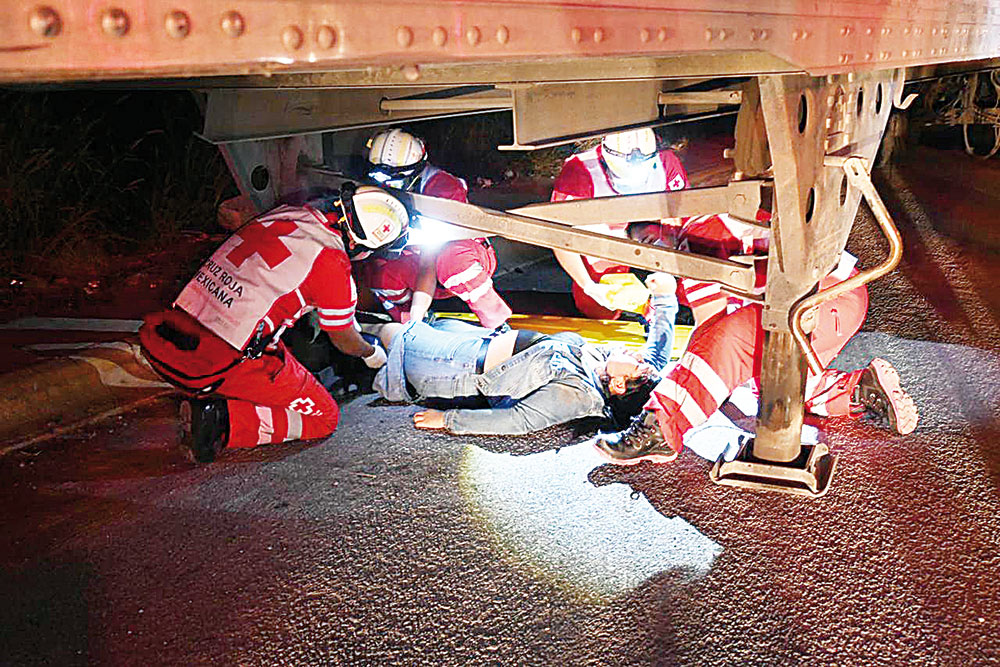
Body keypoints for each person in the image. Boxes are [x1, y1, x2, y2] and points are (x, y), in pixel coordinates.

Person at [594, 212, 920, 465]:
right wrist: (689, 376)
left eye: (652, 238)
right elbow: (710, 327)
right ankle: (861, 392)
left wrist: (681, 383)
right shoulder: (699, 231)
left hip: (821, 300)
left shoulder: (699, 232)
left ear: (665, 221)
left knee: (733, 343)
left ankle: (661, 429)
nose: (656, 251)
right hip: (832, 301)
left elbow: (717, 333)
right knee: (779, 390)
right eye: (646, 248)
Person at [139, 185, 410, 463]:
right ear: (358, 244)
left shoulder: (288, 213)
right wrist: (371, 353)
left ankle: (226, 396)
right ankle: (219, 419)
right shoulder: (332, 262)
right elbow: (344, 338)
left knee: (284, 345)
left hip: (170, 334)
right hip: (216, 362)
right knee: (323, 417)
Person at [362, 274, 679, 435]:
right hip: (477, 342)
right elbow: (657, 354)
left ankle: (338, 328)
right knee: (397, 331)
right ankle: (344, 329)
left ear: (620, 385)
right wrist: (665, 297)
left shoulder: (579, 395)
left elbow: (518, 421)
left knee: (394, 335)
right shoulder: (611, 369)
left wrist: (446, 420)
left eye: (636, 364)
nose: (637, 354)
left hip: (453, 368)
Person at [359, 128, 512, 328]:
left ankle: (497, 321)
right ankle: (406, 324)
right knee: (381, 273)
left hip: (458, 255)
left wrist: (418, 311)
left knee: (454, 262)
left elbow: (428, 261)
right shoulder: (378, 185)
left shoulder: (445, 189)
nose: (389, 184)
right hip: (414, 257)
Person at [550, 128, 690, 319]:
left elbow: (680, 216)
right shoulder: (580, 172)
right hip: (604, 232)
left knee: (687, 288)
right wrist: (588, 285)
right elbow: (560, 237)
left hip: (650, 221)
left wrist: (672, 255)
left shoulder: (666, 162)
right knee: (600, 303)